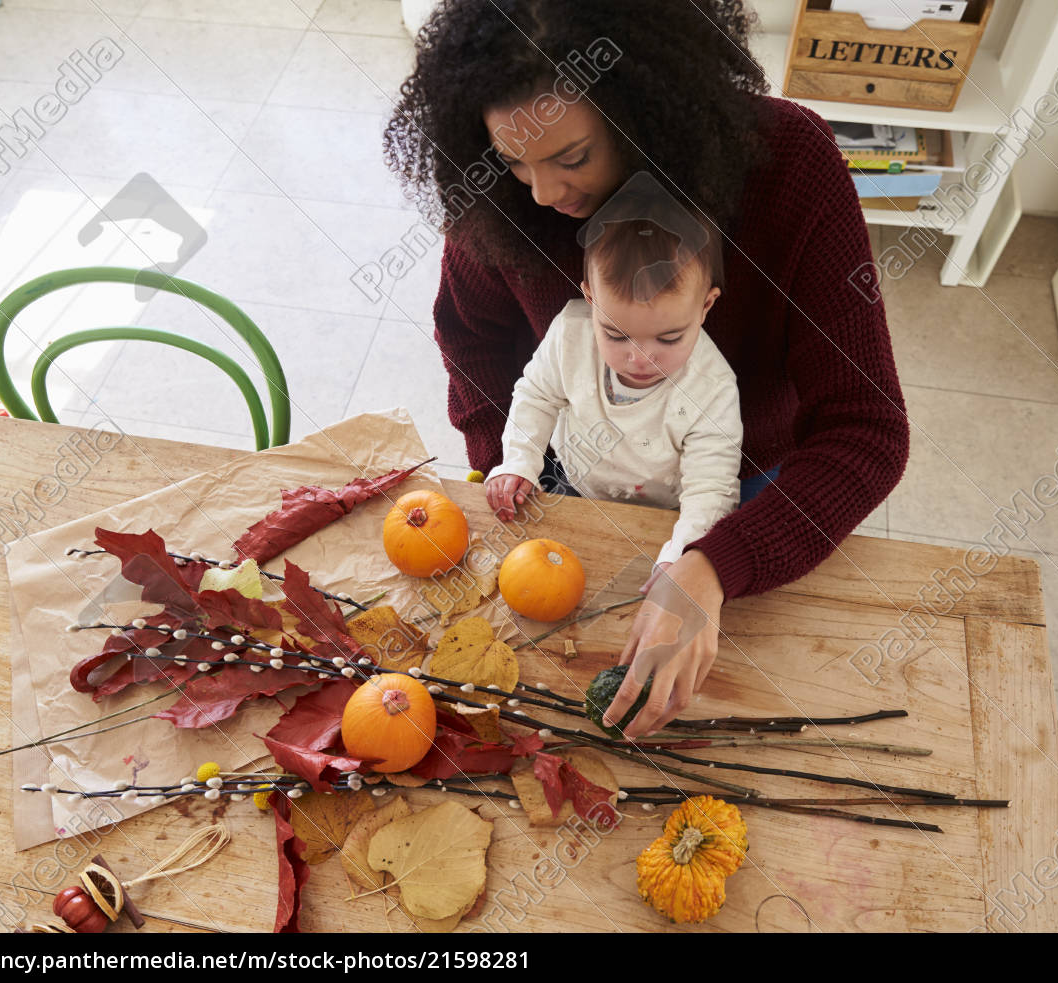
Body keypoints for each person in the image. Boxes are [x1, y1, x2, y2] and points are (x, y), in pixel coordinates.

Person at [384, 0, 910, 738]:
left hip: (736, 473)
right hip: (576, 468)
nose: (542, 193)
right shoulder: (504, 192)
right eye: (513, 159)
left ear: (651, 111)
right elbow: (471, 337)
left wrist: (717, 563)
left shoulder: (791, 167)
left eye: (572, 159)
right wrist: (509, 466)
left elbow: (867, 432)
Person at [484, 197, 742, 594]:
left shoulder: (713, 387)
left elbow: (712, 488)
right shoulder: (570, 333)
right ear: (591, 301)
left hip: (667, 513)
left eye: (669, 337)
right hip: (573, 484)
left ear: (705, 305)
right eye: (616, 335)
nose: (639, 358)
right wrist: (518, 461)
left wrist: (684, 554)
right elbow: (536, 396)